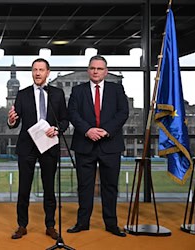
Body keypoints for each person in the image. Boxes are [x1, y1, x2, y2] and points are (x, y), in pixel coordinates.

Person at [67, 55, 129, 237]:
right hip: (85, 144)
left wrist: (105, 130)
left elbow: (123, 112)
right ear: (88, 70)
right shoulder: (77, 91)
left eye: (99, 69)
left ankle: (111, 224)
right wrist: (88, 130)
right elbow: (73, 113)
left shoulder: (117, 90)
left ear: (106, 71)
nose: (95, 71)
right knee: (84, 186)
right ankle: (82, 223)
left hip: (110, 144)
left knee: (110, 187)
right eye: (92, 68)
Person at [8, 58, 69, 240]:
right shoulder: (22, 94)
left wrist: (57, 129)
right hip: (27, 146)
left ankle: (50, 226)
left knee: (49, 188)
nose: (37, 73)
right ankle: (22, 225)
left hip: (49, 145)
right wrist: (11, 121)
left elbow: (64, 120)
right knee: (24, 188)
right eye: (35, 70)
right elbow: (15, 121)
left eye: (41, 70)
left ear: (47, 72)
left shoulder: (57, 94)